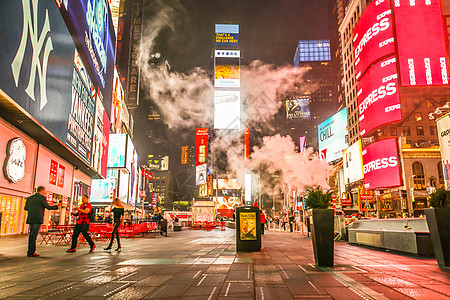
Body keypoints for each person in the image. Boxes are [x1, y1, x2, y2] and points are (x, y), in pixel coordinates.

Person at [24, 186, 60, 257]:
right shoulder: (42, 198)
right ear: (42, 191)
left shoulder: (29, 198)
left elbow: (26, 208)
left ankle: (30, 251)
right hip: (37, 219)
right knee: (34, 235)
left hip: (31, 218)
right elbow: (48, 207)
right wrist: (57, 206)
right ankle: (31, 252)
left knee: (31, 235)